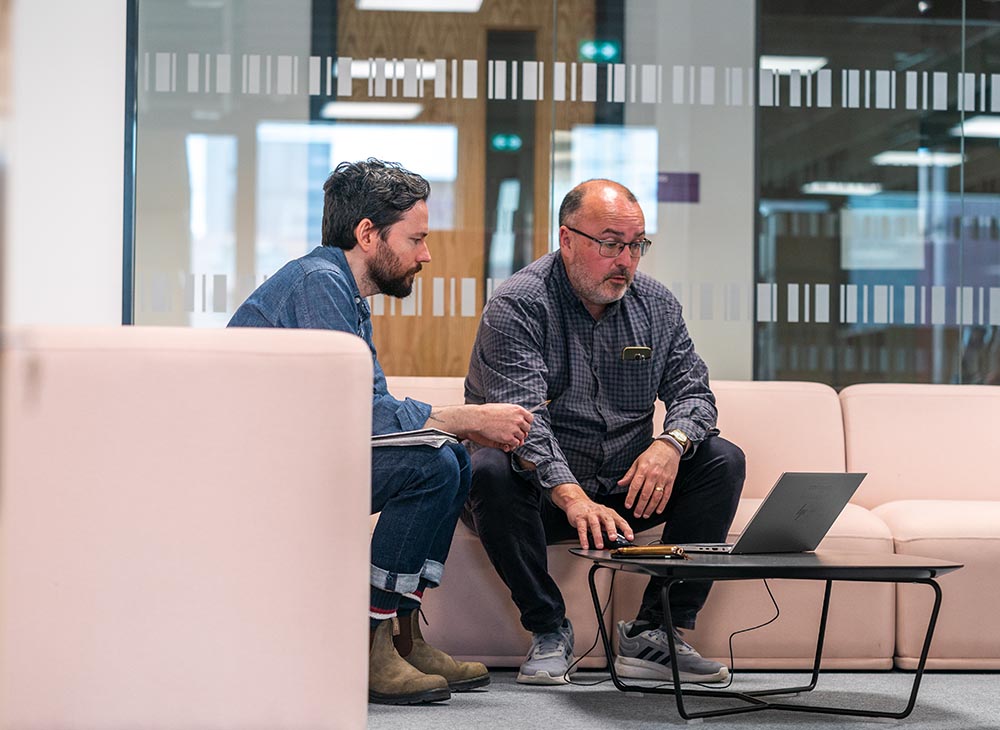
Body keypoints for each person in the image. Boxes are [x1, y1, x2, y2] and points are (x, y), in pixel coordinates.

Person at [229, 158, 534, 705]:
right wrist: (462, 418)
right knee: (434, 460)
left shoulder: (340, 288)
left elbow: (362, 408)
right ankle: (366, 640)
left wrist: (450, 429)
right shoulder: (318, 285)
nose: (426, 254)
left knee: (450, 456)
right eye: (415, 239)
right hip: (259, 472)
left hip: (297, 459)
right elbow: (363, 415)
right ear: (367, 233)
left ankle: (402, 632)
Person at [464, 179, 745, 685]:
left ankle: (658, 632)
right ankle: (549, 628)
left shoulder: (656, 306)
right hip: (539, 496)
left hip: (621, 493)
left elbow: (695, 396)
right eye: (611, 243)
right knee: (487, 466)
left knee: (722, 458)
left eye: (636, 245)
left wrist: (671, 443)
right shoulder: (518, 306)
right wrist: (571, 497)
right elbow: (521, 422)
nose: (627, 261)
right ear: (567, 239)